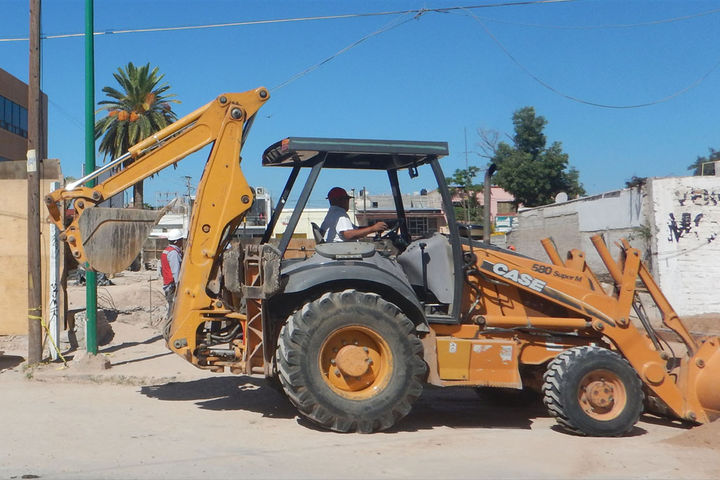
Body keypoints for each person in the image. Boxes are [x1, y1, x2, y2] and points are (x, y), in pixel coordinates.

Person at [320, 187, 387, 242]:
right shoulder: (340, 215)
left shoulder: (331, 214)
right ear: (342, 200)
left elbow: (355, 230)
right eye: (347, 199)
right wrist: (372, 229)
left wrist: (374, 227)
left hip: (336, 249)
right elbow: (347, 234)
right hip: (345, 251)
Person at [160, 229, 185, 318]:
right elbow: (176, 271)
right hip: (172, 286)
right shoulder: (174, 253)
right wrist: (179, 287)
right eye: (181, 239)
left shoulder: (166, 251)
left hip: (167, 284)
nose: (182, 241)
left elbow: (161, 269)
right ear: (177, 241)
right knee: (174, 310)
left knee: (172, 307)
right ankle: (170, 329)